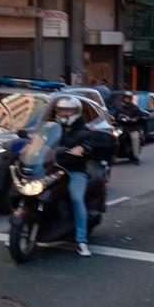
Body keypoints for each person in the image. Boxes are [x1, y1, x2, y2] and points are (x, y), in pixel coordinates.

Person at [53, 96, 95, 257]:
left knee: (77, 199)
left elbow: (89, 146)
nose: (64, 113)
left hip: (75, 170)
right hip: (53, 169)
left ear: (76, 112)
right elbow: (42, 139)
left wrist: (83, 149)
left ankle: (81, 240)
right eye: (61, 110)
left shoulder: (84, 131)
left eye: (68, 110)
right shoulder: (53, 128)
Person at [115, 91, 145, 165]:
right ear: (123, 98)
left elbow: (141, 115)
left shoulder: (135, 108)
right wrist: (112, 117)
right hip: (121, 127)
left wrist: (135, 119)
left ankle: (136, 157)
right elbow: (115, 115)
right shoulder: (119, 107)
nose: (127, 99)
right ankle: (111, 155)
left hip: (132, 127)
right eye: (126, 98)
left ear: (131, 99)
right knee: (114, 137)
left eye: (128, 98)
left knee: (135, 138)